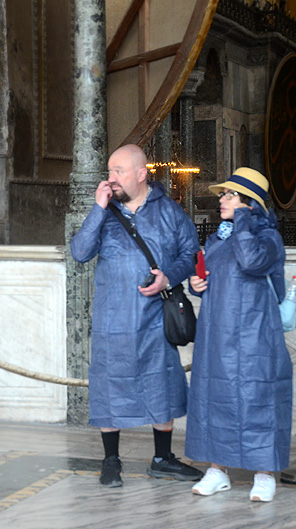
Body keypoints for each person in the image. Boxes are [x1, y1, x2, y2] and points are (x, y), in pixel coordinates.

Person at [70, 144, 204, 487]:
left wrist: (168, 276)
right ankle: (110, 459)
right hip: (113, 319)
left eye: (119, 172)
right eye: (110, 171)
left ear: (142, 174)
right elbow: (80, 252)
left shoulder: (170, 212)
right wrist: (98, 209)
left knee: (161, 384)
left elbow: (190, 253)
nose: (111, 178)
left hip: (155, 318)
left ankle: (163, 458)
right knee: (110, 385)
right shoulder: (104, 211)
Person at [185, 167, 293, 502]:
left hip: (255, 333)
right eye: (223, 194)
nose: (221, 199)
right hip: (218, 333)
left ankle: (264, 474)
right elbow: (214, 278)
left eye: (230, 194)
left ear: (249, 203)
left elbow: (251, 262)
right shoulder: (218, 237)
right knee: (215, 398)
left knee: (258, 399)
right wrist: (197, 285)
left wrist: (245, 221)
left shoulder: (268, 238)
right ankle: (218, 470)